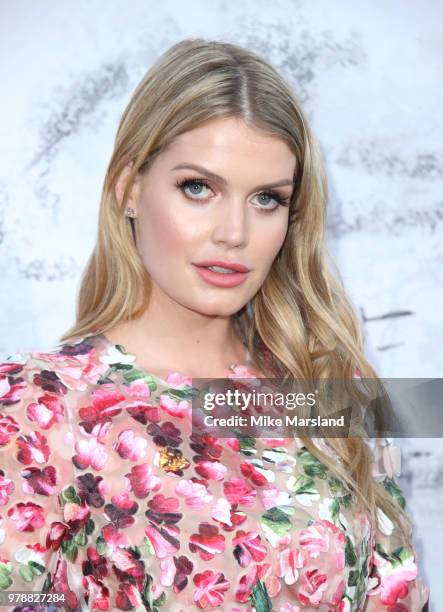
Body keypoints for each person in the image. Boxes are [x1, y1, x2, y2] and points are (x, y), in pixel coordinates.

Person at [0, 38, 430, 611]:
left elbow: (393, 594)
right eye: (198, 188)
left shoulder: (323, 385)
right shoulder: (37, 407)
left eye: (267, 199)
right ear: (130, 189)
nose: (234, 232)